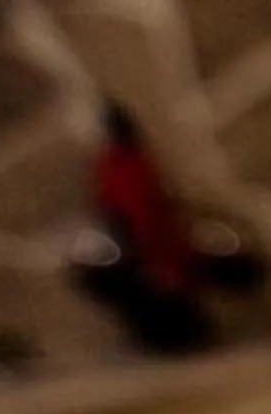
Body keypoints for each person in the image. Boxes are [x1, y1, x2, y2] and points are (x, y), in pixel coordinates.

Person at [81, 104, 215, 352]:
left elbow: (138, 202)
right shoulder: (123, 163)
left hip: (152, 238)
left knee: (168, 284)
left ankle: (180, 334)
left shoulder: (130, 162)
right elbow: (122, 205)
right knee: (161, 285)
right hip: (142, 238)